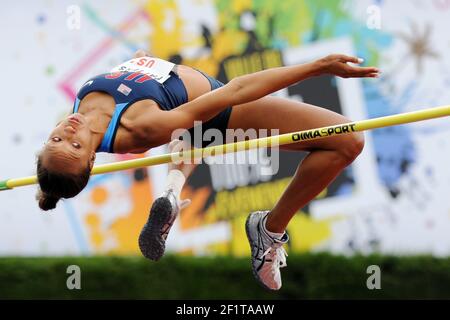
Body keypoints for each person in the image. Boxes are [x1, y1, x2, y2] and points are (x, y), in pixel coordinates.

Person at [36, 49, 379, 290]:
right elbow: (237, 89)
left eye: (55, 140)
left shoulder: (75, 114)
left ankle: (173, 186)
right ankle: (268, 229)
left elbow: (59, 162)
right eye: (76, 146)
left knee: (187, 139)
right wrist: (317, 67)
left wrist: (47, 190)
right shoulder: (141, 125)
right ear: (92, 160)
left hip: (184, 115)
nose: (67, 133)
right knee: (348, 141)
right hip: (217, 112)